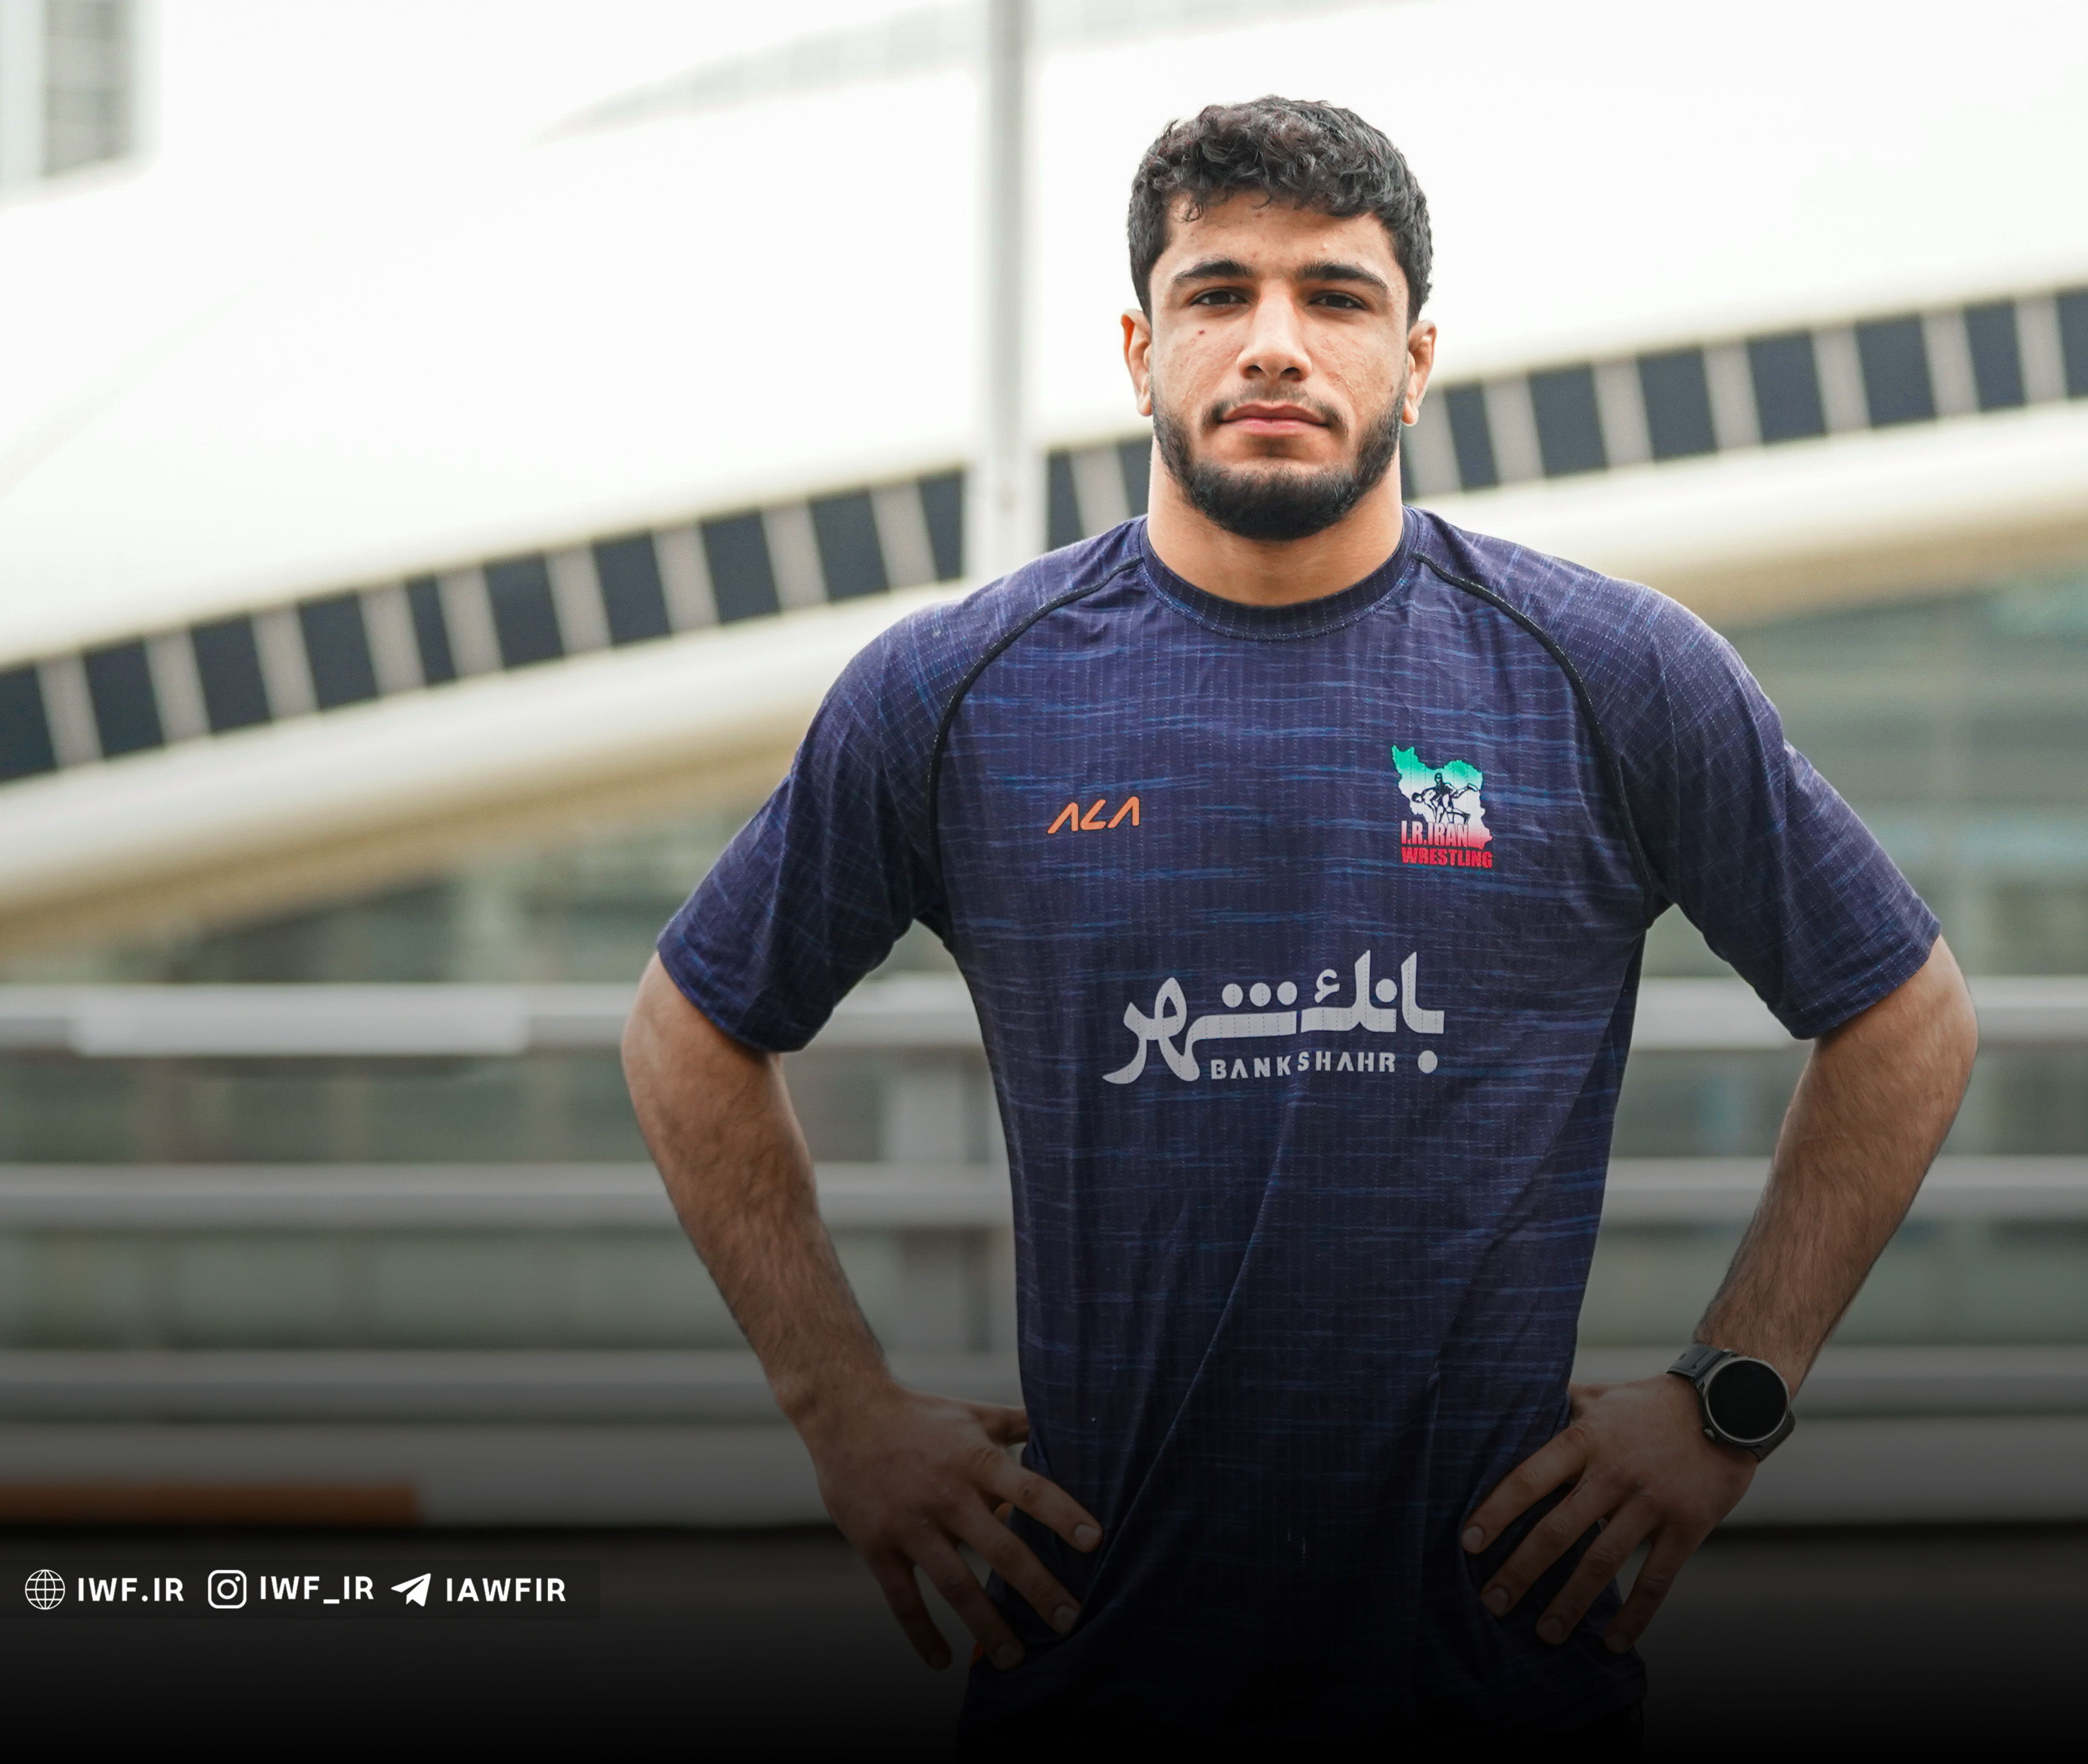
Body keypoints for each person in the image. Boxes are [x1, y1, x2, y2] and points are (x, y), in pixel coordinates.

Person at [622, 95, 1977, 1752]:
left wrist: (1727, 1397)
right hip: (1090, 1676)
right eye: (1219, 294)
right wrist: (845, 1416)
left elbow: (1906, 1013)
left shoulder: (1612, 678)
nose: (1275, 342)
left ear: (1415, 359)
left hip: (1501, 1686)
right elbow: (690, 1031)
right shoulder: (958, 693)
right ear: (1141, 352)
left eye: (1336, 297)